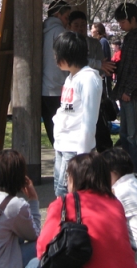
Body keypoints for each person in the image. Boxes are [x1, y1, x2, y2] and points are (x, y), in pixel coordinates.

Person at [33, 153, 137, 268]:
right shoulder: (116, 203)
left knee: (33, 263)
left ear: (74, 178)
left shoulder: (63, 203)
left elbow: (42, 248)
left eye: (68, 176)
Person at [52, 31, 102, 197]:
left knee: (66, 193)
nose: (55, 58)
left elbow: (89, 119)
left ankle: (68, 223)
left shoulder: (88, 79)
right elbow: (66, 110)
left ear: (68, 55)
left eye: (57, 53)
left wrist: (82, 155)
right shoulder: (71, 77)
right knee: (59, 192)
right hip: (62, 143)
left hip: (75, 148)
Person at [112, 2, 137, 178]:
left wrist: (128, 90)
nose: (121, 25)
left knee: (134, 134)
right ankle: (129, 168)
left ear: (133, 19)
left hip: (133, 93)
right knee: (125, 133)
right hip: (126, 91)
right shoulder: (131, 37)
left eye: (123, 22)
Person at [68, 10, 113, 153]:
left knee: (97, 123)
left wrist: (97, 66)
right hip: (73, 89)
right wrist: (97, 64)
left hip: (92, 86)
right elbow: (73, 61)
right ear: (70, 26)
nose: (80, 28)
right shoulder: (67, 42)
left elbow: (102, 64)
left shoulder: (94, 44)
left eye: (83, 25)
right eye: (76, 25)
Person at [41, 0, 71, 145]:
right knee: (63, 135)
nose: (67, 22)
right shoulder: (59, 32)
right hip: (58, 88)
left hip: (45, 87)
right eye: (66, 18)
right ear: (58, 15)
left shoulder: (42, 30)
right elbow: (71, 58)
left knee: (54, 134)